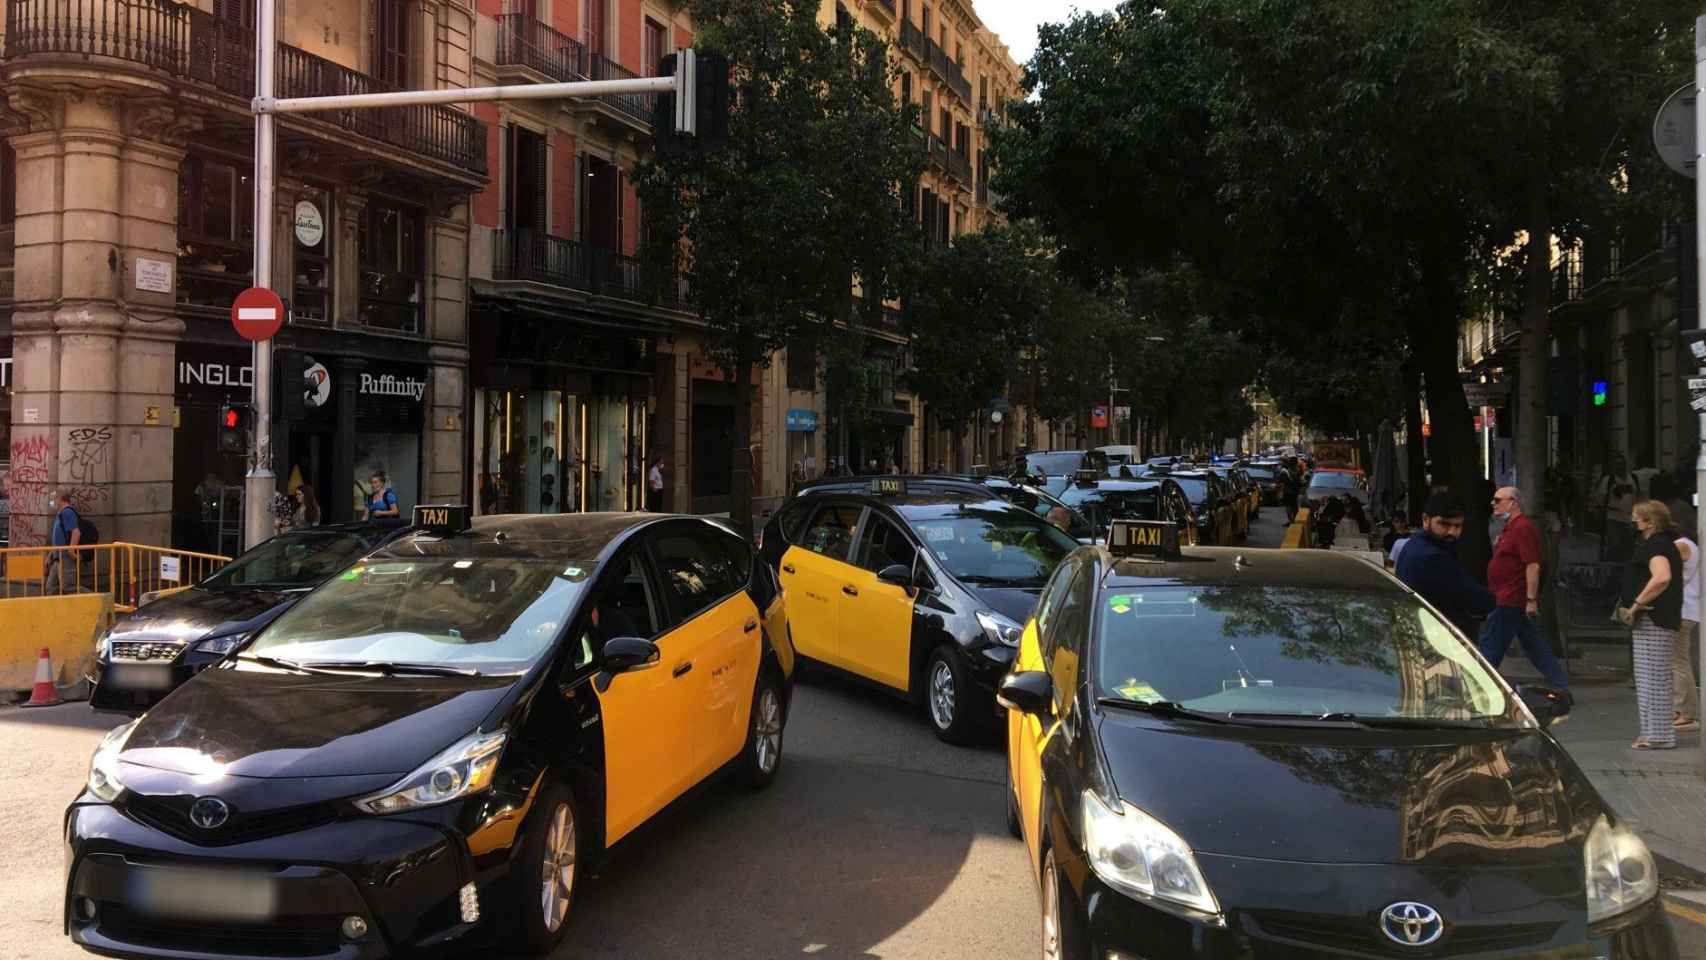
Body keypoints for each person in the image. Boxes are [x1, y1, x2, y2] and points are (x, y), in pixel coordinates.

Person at [1476, 487, 1570, 692]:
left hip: (1509, 598)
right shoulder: (1511, 527)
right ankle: (1560, 685)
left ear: (1513, 503)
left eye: (1498, 500)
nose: (1493, 503)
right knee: (1533, 645)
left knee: (1491, 645)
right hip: (1508, 597)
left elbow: (1533, 564)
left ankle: (1479, 687)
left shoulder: (1521, 528)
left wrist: (1531, 599)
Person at [1622, 500, 1683, 749]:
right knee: (1649, 676)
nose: (1633, 521)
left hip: (1653, 617)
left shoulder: (1657, 545)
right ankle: (1652, 733)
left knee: (1653, 676)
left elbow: (1662, 577)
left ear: (1650, 522)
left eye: (1637, 517)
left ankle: (1658, 735)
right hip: (1652, 617)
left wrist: (1637, 604)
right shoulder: (1658, 543)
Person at [1396, 491, 1494, 639]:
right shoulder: (1433, 556)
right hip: (1442, 639)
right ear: (1425, 520)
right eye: (1444, 524)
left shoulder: (1415, 544)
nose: (1452, 532)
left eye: (1458, 526)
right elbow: (1480, 601)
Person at [1673, 528, 1701, 733]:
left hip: (1682, 610)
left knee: (1678, 662)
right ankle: (1684, 709)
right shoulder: (1692, 545)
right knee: (1680, 661)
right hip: (1689, 609)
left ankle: (1686, 711)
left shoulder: (1681, 545)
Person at [1598, 454, 1639, 561]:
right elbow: (1601, 500)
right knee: (1614, 548)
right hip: (1614, 519)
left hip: (1630, 520)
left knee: (1629, 549)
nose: (1620, 467)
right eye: (1617, 465)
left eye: (1621, 464)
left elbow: (1638, 497)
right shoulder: (1608, 480)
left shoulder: (1633, 478)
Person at [44, 491, 83, 595]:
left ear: (60, 499)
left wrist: (71, 551)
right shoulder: (60, 514)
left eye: (53, 499)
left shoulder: (67, 512)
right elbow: (58, 538)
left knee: (69, 588)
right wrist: (50, 556)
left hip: (65, 557)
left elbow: (76, 532)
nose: (52, 502)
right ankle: (54, 610)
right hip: (57, 557)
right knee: (51, 588)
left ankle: (97, 600)